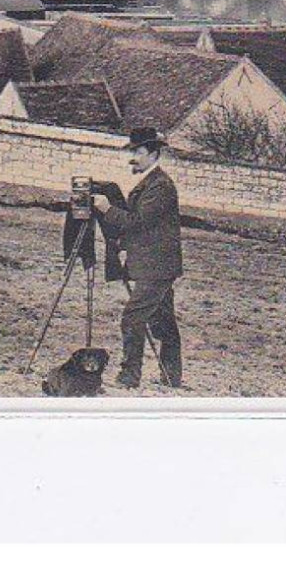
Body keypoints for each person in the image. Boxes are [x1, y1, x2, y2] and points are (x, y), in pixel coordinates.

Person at [89, 126, 184, 389]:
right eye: (132, 152)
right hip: (154, 265)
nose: (134, 158)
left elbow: (139, 222)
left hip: (156, 266)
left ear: (154, 154)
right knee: (164, 322)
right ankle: (171, 376)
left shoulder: (161, 186)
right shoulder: (150, 182)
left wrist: (107, 209)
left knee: (133, 318)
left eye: (138, 153)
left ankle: (129, 376)